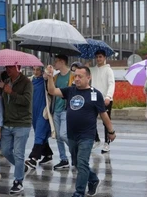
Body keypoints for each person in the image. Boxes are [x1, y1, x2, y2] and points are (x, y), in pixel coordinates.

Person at [46, 65, 116, 197]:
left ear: (88, 78)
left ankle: (79, 192)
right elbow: (52, 91)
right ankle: (93, 179)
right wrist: (50, 77)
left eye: (80, 76)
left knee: (83, 162)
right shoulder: (70, 91)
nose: (77, 79)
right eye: (75, 76)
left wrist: (111, 131)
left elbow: (104, 114)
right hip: (72, 135)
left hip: (87, 135)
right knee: (77, 164)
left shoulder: (95, 94)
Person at [0, 65, 33, 194]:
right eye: (6, 67)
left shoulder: (26, 82)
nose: (8, 70)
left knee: (19, 154)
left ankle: (18, 181)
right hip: (7, 122)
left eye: (11, 67)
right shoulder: (7, 81)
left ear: (18, 67)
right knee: (5, 150)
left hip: (22, 123)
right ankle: (22, 167)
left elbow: (26, 100)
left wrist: (11, 92)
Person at [25, 66, 53, 169]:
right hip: (33, 112)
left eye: (38, 70)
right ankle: (48, 154)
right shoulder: (30, 80)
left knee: (39, 134)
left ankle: (33, 158)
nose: (36, 72)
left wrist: (48, 75)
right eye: (34, 70)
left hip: (43, 111)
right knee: (40, 133)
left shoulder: (45, 81)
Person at [51, 54, 75, 170]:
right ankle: (63, 159)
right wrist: (49, 76)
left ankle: (76, 152)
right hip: (56, 109)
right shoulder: (55, 77)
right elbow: (50, 91)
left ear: (62, 62)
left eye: (56, 62)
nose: (55, 64)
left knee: (63, 134)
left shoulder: (72, 76)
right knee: (58, 137)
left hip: (67, 110)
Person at [91, 50, 115, 153]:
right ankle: (96, 139)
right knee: (91, 120)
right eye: (96, 57)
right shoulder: (92, 70)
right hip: (93, 98)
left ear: (104, 58)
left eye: (100, 57)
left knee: (106, 121)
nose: (98, 59)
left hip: (105, 99)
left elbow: (111, 83)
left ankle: (107, 143)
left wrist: (108, 96)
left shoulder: (108, 70)